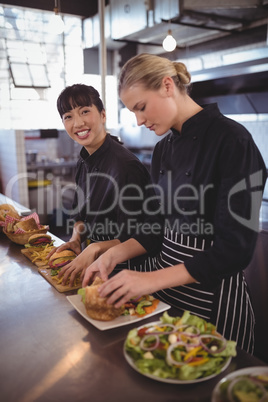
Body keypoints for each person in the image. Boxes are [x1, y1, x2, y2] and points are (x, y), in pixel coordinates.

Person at [82, 53, 267, 353]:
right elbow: (155, 228)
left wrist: (149, 280)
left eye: (141, 107)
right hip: (166, 300)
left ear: (168, 85)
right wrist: (112, 254)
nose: (139, 120)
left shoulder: (233, 141)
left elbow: (236, 250)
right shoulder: (162, 149)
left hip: (214, 302)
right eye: (132, 112)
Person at [51, 83, 161, 286]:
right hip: (97, 268)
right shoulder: (84, 160)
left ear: (102, 115)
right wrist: (76, 239)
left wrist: (94, 248)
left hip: (128, 272)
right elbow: (81, 217)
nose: (78, 123)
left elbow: (137, 237)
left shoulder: (125, 166)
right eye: (68, 116)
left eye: (85, 111)